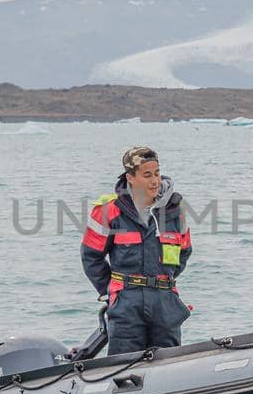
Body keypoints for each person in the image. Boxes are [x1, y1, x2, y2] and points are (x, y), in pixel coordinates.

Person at [82, 146, 194, 354]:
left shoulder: (175, 212)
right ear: (130, 178)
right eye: (147, 175)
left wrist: (161, 281)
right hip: (126, 304)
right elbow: (91, 257)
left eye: (157, 174)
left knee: (169, 366)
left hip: (165, 302)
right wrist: (113, 290)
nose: (154, 181)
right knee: (122, 367)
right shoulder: (108, 212)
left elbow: (184, 252)